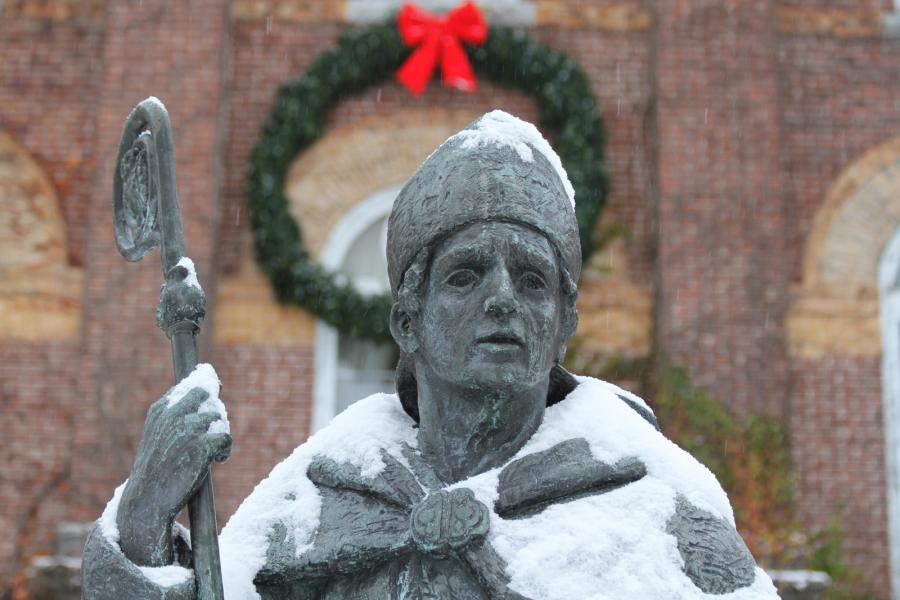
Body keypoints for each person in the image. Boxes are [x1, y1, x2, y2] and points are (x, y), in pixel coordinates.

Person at [82, 111, 780, 599]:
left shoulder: (654, 503)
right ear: (407, 321)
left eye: (532, 279)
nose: (504, 299)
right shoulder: (322, 494)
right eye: (466, 274)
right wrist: (145, 517)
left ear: (565, 319)